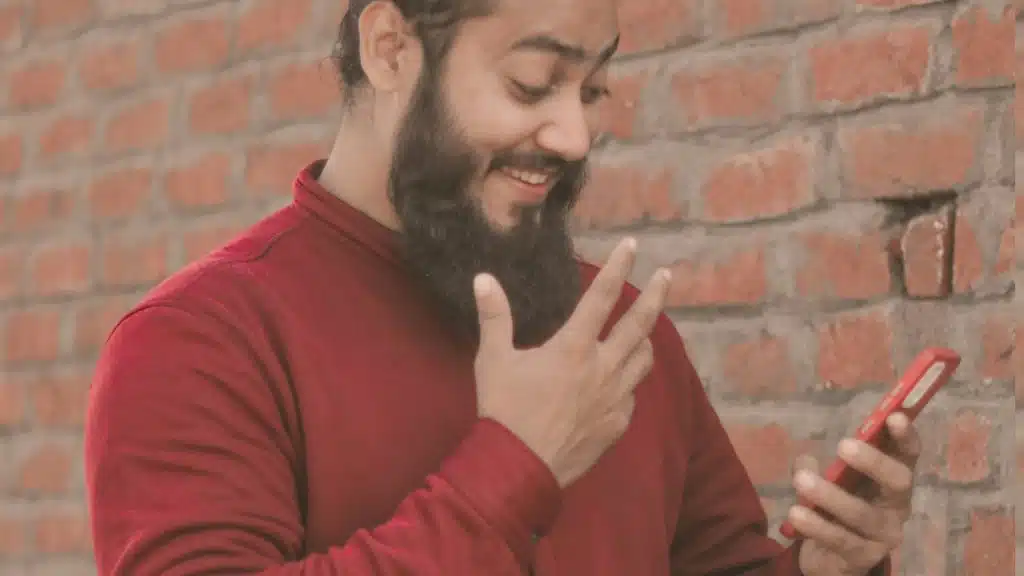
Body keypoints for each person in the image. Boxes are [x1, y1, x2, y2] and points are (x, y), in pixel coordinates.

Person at [84, 0, 922, 574]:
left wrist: (825, 568)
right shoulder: (200, 339)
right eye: (531, 83)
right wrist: (516, 467)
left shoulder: (615, 330)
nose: (574, 135)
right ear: (390, 48)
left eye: (592, 89)